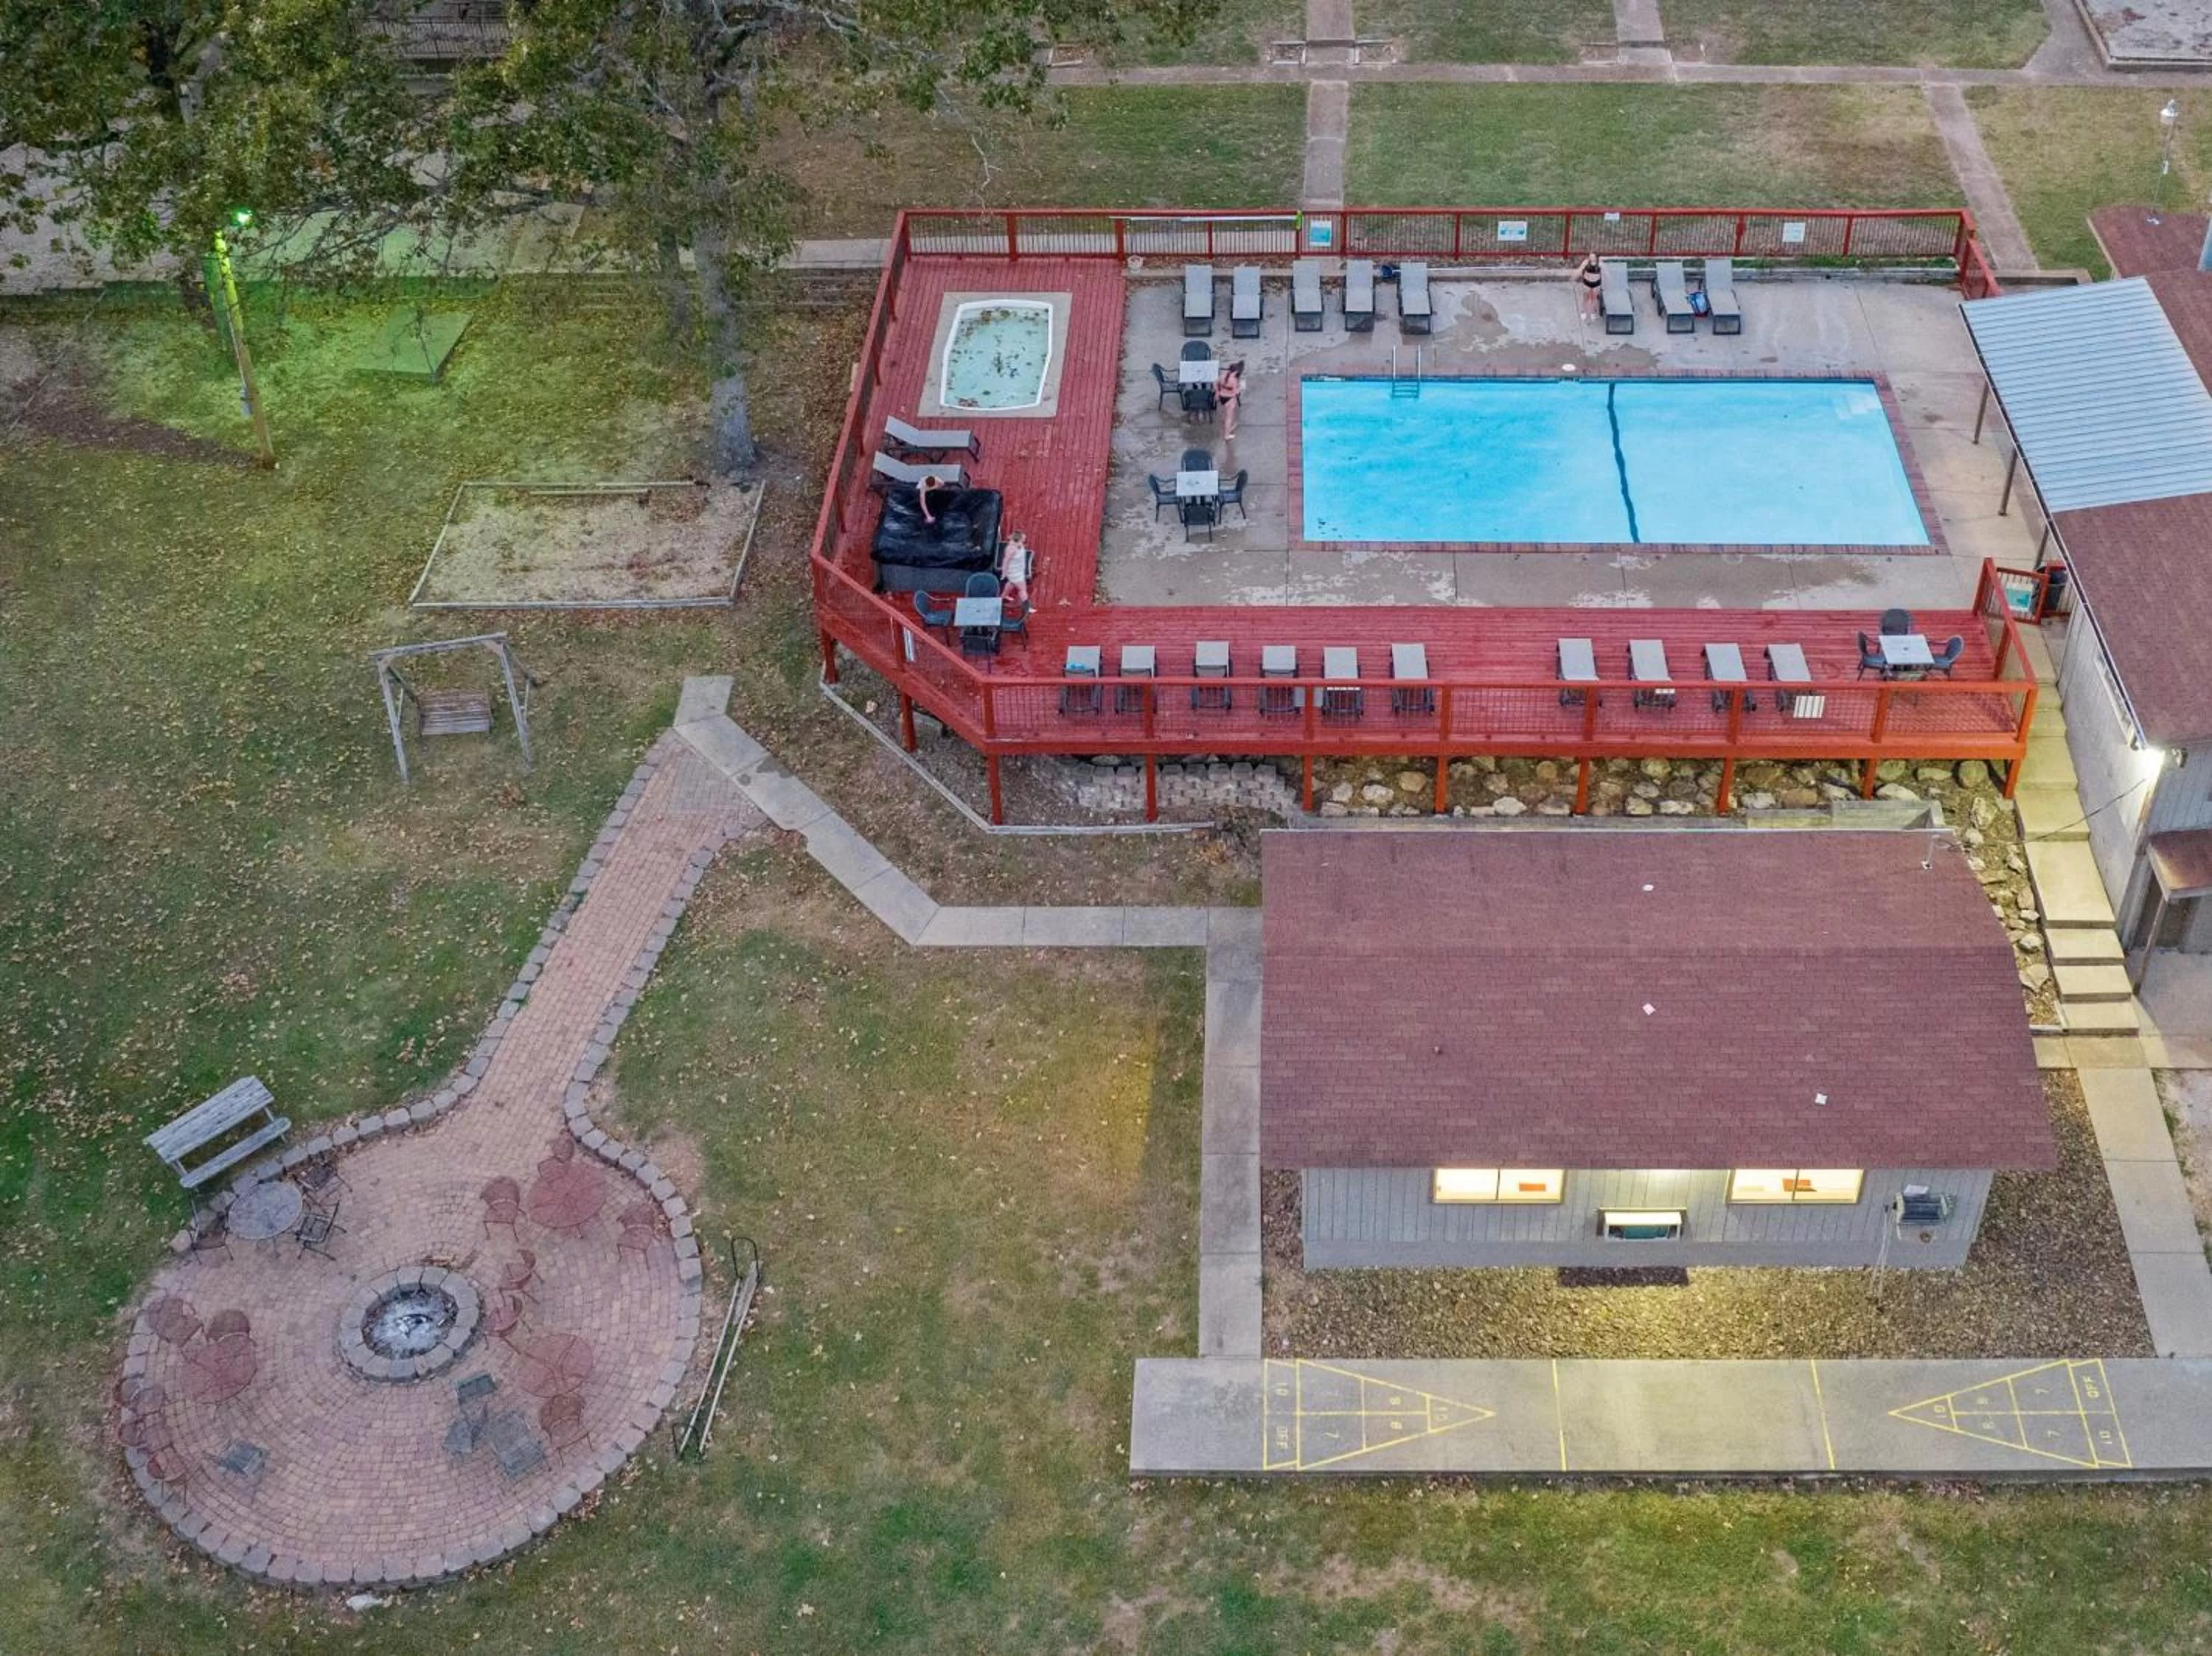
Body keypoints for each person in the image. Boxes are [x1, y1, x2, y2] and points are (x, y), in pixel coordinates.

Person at [1216, 360, 1246, 439]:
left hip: (1222, 397)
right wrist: (1241, 388)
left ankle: (1227, 428)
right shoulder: (1234, 381)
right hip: (1230, 399)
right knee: (1229, 418)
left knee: (1225, 414)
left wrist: (1217, 393)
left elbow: (1216, 383)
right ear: (1235, 372)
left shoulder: (1223, 376)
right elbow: (1236, 392)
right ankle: (1227, 434)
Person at [1574, 252, 1603, 319]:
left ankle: (1593, 312)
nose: (1591, 258)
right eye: (1590, 257)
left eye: (1593, 257)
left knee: (1594, 298)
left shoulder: (1600, 264)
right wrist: (1575, 276)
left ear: (1596, 258)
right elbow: (1580, 270)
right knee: (1586, 298)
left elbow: (1606, 273)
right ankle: (1583, 311)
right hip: (1587, 283)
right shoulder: (1586, 262)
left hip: (1596, 284)